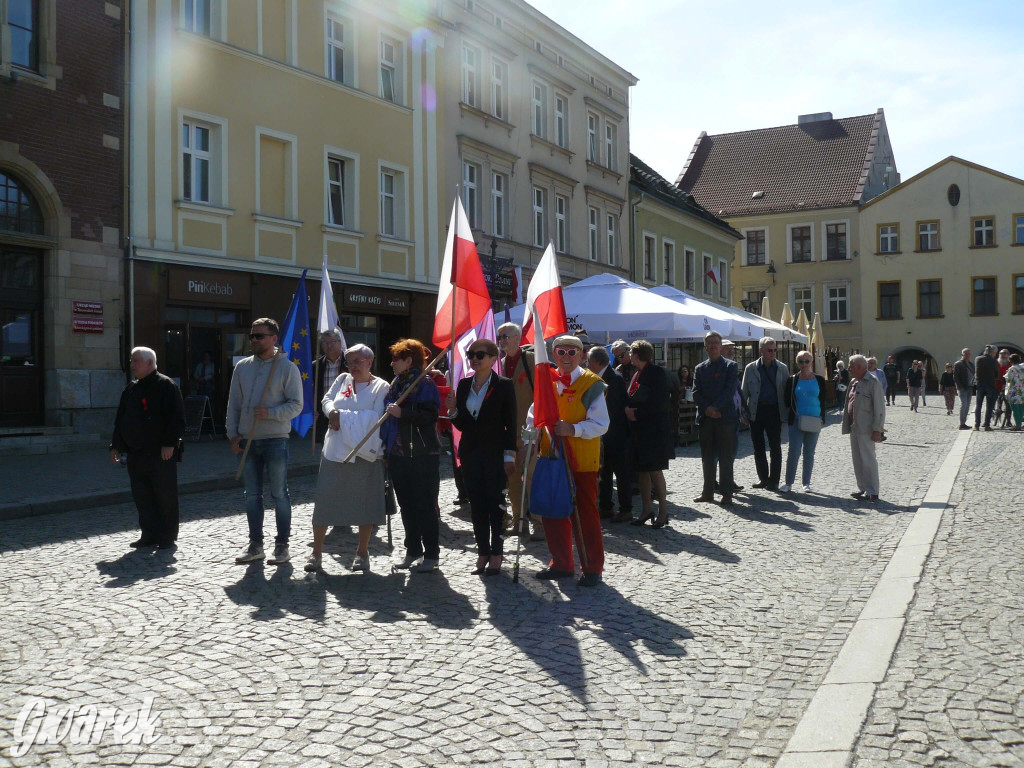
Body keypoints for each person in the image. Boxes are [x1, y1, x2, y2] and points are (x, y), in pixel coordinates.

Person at [525, 335, 609, 587]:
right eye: (561, 352)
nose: (566, 357)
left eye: (572, 352)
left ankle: (592, 567)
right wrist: (531, 431)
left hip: (581, 460)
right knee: (552, 511)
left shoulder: (592, 384)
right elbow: (533, 414)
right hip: (552, 458)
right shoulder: (546, 381)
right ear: (553, 354)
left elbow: (601, 424)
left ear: (582, 355)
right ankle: (561, 563)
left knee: (585, 514)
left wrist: (572, 429)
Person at [305, 344, 389, 573]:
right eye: (350, 361)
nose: (352, 366)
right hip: (335, 451)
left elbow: (376, 418)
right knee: (325, 500)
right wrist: (332, 411)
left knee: (364, 503)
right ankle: (316, 553)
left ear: (369, 362)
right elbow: (327, 400)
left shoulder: (381, 386)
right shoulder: (342, 379)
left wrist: (342, 416)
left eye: (357, 361)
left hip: (364, 453)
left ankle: (362, 552)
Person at [228, 318, 303, 565]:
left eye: (260, 336)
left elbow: (296, 405)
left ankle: (282, 545)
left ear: (274, 339)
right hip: (247, 439)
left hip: (275, 440)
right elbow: (234, 404)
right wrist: (233, 434)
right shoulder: (242, 367)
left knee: (279, 494)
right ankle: (255, 544)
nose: (255, 340)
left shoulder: (287, 368)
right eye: (252, 336)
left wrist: (270, 413)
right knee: (251, 495)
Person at [447, 339, 517, 575]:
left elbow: (511, 424)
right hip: (470, 453)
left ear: (493, 358)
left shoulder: (504, 385)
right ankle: (482, 552)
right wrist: (453, 411)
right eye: (471, 355)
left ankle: (497, 552)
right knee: (476, 505)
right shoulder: (464, 384)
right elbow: (463, 424)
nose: (474, 359)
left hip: (496, 454)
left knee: (495, 504)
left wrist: (510, 455)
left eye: (480, 354)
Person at [109, 347, 186, 550]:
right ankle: (149, 534)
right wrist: (115, 445)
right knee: (142, 495)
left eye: (136, 361)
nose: (132, 365)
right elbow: (121, 419)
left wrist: (170, 443)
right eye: (132, 361)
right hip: (136, 452)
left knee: (164, 495)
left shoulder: (166, 386)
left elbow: (176, 418)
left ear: (150, 363)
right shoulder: (132, 388)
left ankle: (167, 536)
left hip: (161, 452)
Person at [381, 338, 442, 572]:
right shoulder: (397, 382)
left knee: (424, 504)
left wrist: (403, 412)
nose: (392, 363)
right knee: (406, 505)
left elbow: (430, 416)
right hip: (398, 453)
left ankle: (431, 554)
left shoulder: (424, 383)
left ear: (409, 360)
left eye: (397, 358)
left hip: (423, 453)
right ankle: (412, 550)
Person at [497, 322, 544, 540]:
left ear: (517, 338)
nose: (502, 340)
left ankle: (539, 523)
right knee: (513, 477)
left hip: (531, 431)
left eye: (505, 336)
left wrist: (537, 431)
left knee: (534, 477)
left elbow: (543, 397)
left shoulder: (531, 360)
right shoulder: (500, 364)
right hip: (508, 432)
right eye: (500, 337)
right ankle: (518, 522)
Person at [623, 340, 674, 528]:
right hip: (639, 432)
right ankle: (646, 510)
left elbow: (660, 403)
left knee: (654, 471)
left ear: (637, 355)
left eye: (630, 353)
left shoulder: (656, 373)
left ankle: (663, 511)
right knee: (641, 471)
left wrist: (634, 412)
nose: (629, 356)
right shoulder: (638, 372)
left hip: (654, 432)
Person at [692, 331, 740, 506]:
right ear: (705, 347)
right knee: (707, 458)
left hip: (725, 418)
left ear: (720, 346)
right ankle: (708, 492)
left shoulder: (730, 366)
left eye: (715, 343)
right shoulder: (699, 368)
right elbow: (696, 393)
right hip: (706, 419)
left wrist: (716, 407)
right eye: (709, 343)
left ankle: (727, 494)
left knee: (725, 458)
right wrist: (708, 409)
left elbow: (729, 390)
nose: (712, 346)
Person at [587, 345, 632, 522]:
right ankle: (605, 507)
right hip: (604, 434)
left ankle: (626, 508)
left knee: (621, 474)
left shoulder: (613, 378)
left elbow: (612, 408)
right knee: (604, 472)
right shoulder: (599, 377)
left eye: (589, 361)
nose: (587, 364)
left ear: (597, 362)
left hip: (616, 434)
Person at [740, 337, 790, 492]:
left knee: (775, 446)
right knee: (758, 446)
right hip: (756, 410)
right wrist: (743, 413)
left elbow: (787, 392)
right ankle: (763, 478)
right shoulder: (751, 368)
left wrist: (787, 413)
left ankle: (774, 481)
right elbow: (744, 392)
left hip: (775, 410)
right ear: (761, 350)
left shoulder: (782, 368)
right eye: (770, 350)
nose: (773, 353)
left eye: (775, 350)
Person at [780, 350, 827, 493]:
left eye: (807, 361)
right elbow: (787, 401)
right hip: (797, 420)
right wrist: (790, 417)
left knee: (809, 453)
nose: (804, 364)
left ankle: (806, 483)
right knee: (793, 452)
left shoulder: (819, 379)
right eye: (801, 361)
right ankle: (788, 483)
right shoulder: (792, 380)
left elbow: (823, 400)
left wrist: (822, 418)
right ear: (797, 363)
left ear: (811, 362)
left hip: (814, 419)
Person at [842, 355, 885, 502]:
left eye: (851, 366)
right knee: (857, 460)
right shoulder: (854, 382)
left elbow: (879, 408)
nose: (849, 369)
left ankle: (873, 491)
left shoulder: (873, 382)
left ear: (860, 367)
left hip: (867, 428)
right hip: (855, 426)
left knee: (868, 459)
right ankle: (863, 488)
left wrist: (877, 429)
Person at [313, 329, 348, 443]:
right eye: (325, 343)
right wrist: (313, 409)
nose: (329, 345)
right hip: (323, 416)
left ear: (339, 342)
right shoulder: (315, 366)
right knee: (326, 452)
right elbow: (310, 391)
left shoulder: (351, 363)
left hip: (346, 415)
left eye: (332, 341)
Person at [974, 345, 999, 431]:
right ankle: (987, 425)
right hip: (990, 385)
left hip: (980, 384)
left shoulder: (978, 359)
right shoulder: (993, 361)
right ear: (992, 352)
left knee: (978, 406)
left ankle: (976, 425)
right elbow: (996, 373)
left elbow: (976, 371)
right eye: (995, 353)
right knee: (989, 406)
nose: (995, 355)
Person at [953, 347, 975, 430]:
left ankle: (964, 423)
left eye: (969, 353)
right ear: (963, 354)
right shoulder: (958, 364)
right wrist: (959, 386)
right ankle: (961, 423)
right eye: (966, 353)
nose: (968, 355)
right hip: (962, 387)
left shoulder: (971, 364)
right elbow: (955, 376)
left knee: (967, 405)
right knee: (964, 404)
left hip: (970, 387)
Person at [1003, 353, 1024, 430]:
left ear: (1011, 361)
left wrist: (1006, 374)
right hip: (1022, 391)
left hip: (1014, 392)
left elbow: (1008, 379)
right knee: (1021, 408)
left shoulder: (1012, 369)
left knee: (1015, 409)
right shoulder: (1023, 367)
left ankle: (1017, 425)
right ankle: (1019, 424)